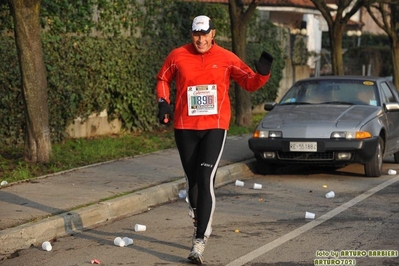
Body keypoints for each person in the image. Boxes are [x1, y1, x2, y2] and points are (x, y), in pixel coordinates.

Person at [156, 15, 273, 264]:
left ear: (213, 33)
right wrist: (163, 103)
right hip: (185, 126)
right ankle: (199, 214)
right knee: (193, 184)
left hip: (215, 127)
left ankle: (199, 242)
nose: (200, 39)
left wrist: (263, 74)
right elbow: (163, 79)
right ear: (192, 34)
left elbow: (249, 82)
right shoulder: (177, 55)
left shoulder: (227, 58)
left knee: (206, 178)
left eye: (204, 34)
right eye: (196, 34)